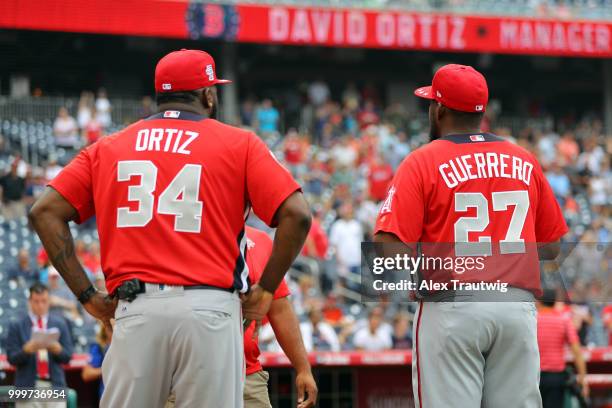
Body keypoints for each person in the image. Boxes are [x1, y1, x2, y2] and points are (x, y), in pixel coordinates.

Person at [29, 49, 311, 408]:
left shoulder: (109, 147)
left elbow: (44, 211)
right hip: (210, 309)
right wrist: (266, 288)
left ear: (160, 96)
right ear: (208, 94)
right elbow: (298, 214)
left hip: (137, 308)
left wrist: (87, 296)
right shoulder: (240, 143)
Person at [374, 64, 568, 408]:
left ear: (441, 108)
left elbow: (388, 247)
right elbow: (552, 247)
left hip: (452, 306)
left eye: (432, 103)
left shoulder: (422, 161)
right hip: (516, 308)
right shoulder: (523, 158)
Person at [165, 226, 317, 408]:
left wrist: (303, 368)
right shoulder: (179, 233)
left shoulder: (260, 241)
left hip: (246, 375)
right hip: (184, 374)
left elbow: (280, 309)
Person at [5, 283, 74, 408]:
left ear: (49, 301)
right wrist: (26, 350)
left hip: (55, 386)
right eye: (36, 301)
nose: (40, 305)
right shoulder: (17, 325)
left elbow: (68, 356)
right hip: (27, 386)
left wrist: (58, 350)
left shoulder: (60, 323)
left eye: (44, 301)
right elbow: (11, 358)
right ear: (30, 301)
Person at [537, 289, 588, 408]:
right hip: (556, 376)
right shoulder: (564, 320)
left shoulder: (532, 320)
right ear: (554, 302)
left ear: (539, 301)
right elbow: (577, 352)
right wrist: (583, 379)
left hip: (534, 375)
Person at [82, 324, 111, 401]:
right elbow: (86, 374)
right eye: (110, 328)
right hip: (107, 397)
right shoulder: (99, 347)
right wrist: (109, 369)